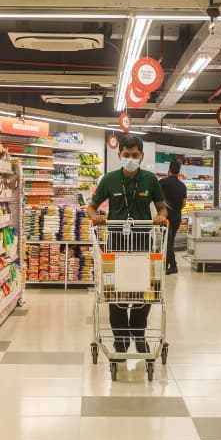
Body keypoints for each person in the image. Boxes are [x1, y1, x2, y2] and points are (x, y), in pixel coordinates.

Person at [86, 133, 168, 354]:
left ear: (141, 156)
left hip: (143, 242)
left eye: (134, 155)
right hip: (116, 242)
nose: (130, 159)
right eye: (126, 154)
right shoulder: (109, 180)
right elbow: (91, 207)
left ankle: (139, 333)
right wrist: (95, 217)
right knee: (116, 292)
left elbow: (162, 208)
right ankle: (120, 338)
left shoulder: (150, 180)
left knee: (145, 290)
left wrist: (160, 216)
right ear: (119, 155)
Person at [158, 159, 188, 275]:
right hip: (177, 217)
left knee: (167, 241)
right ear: (179, 171)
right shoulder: (182, 186)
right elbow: (184, 203)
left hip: (165, 217)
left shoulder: (162, 183)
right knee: (170, 241)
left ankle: (173, 265)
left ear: (169, 170)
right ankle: (167, 264)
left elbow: (158, 200)